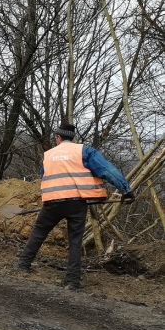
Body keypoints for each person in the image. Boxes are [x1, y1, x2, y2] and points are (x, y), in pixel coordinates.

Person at [14, 122, 135, 290]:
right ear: (72, 137)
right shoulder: (84, 151)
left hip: (52, 202)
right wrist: (125, 190)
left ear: (58, 137)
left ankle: (23, 265)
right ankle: (73, 281)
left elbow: (44, 177)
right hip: (77, 203)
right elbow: (107, 170)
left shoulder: (47, 155)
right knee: (75, 241)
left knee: (38, 233)